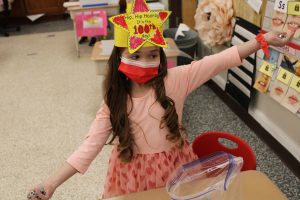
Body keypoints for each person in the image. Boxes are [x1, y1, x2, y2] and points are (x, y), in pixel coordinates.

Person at [27, 1, 295, 200]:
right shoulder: (114, 98)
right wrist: (52, 183)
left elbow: (220, 60)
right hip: (131, 172)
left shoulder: (176, 80)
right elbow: (89, 147)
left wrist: (263, 40)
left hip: (175, 168)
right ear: (118, 57)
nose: (145, 62)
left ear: (161, 57)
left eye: (152, 55)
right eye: (137, 55)